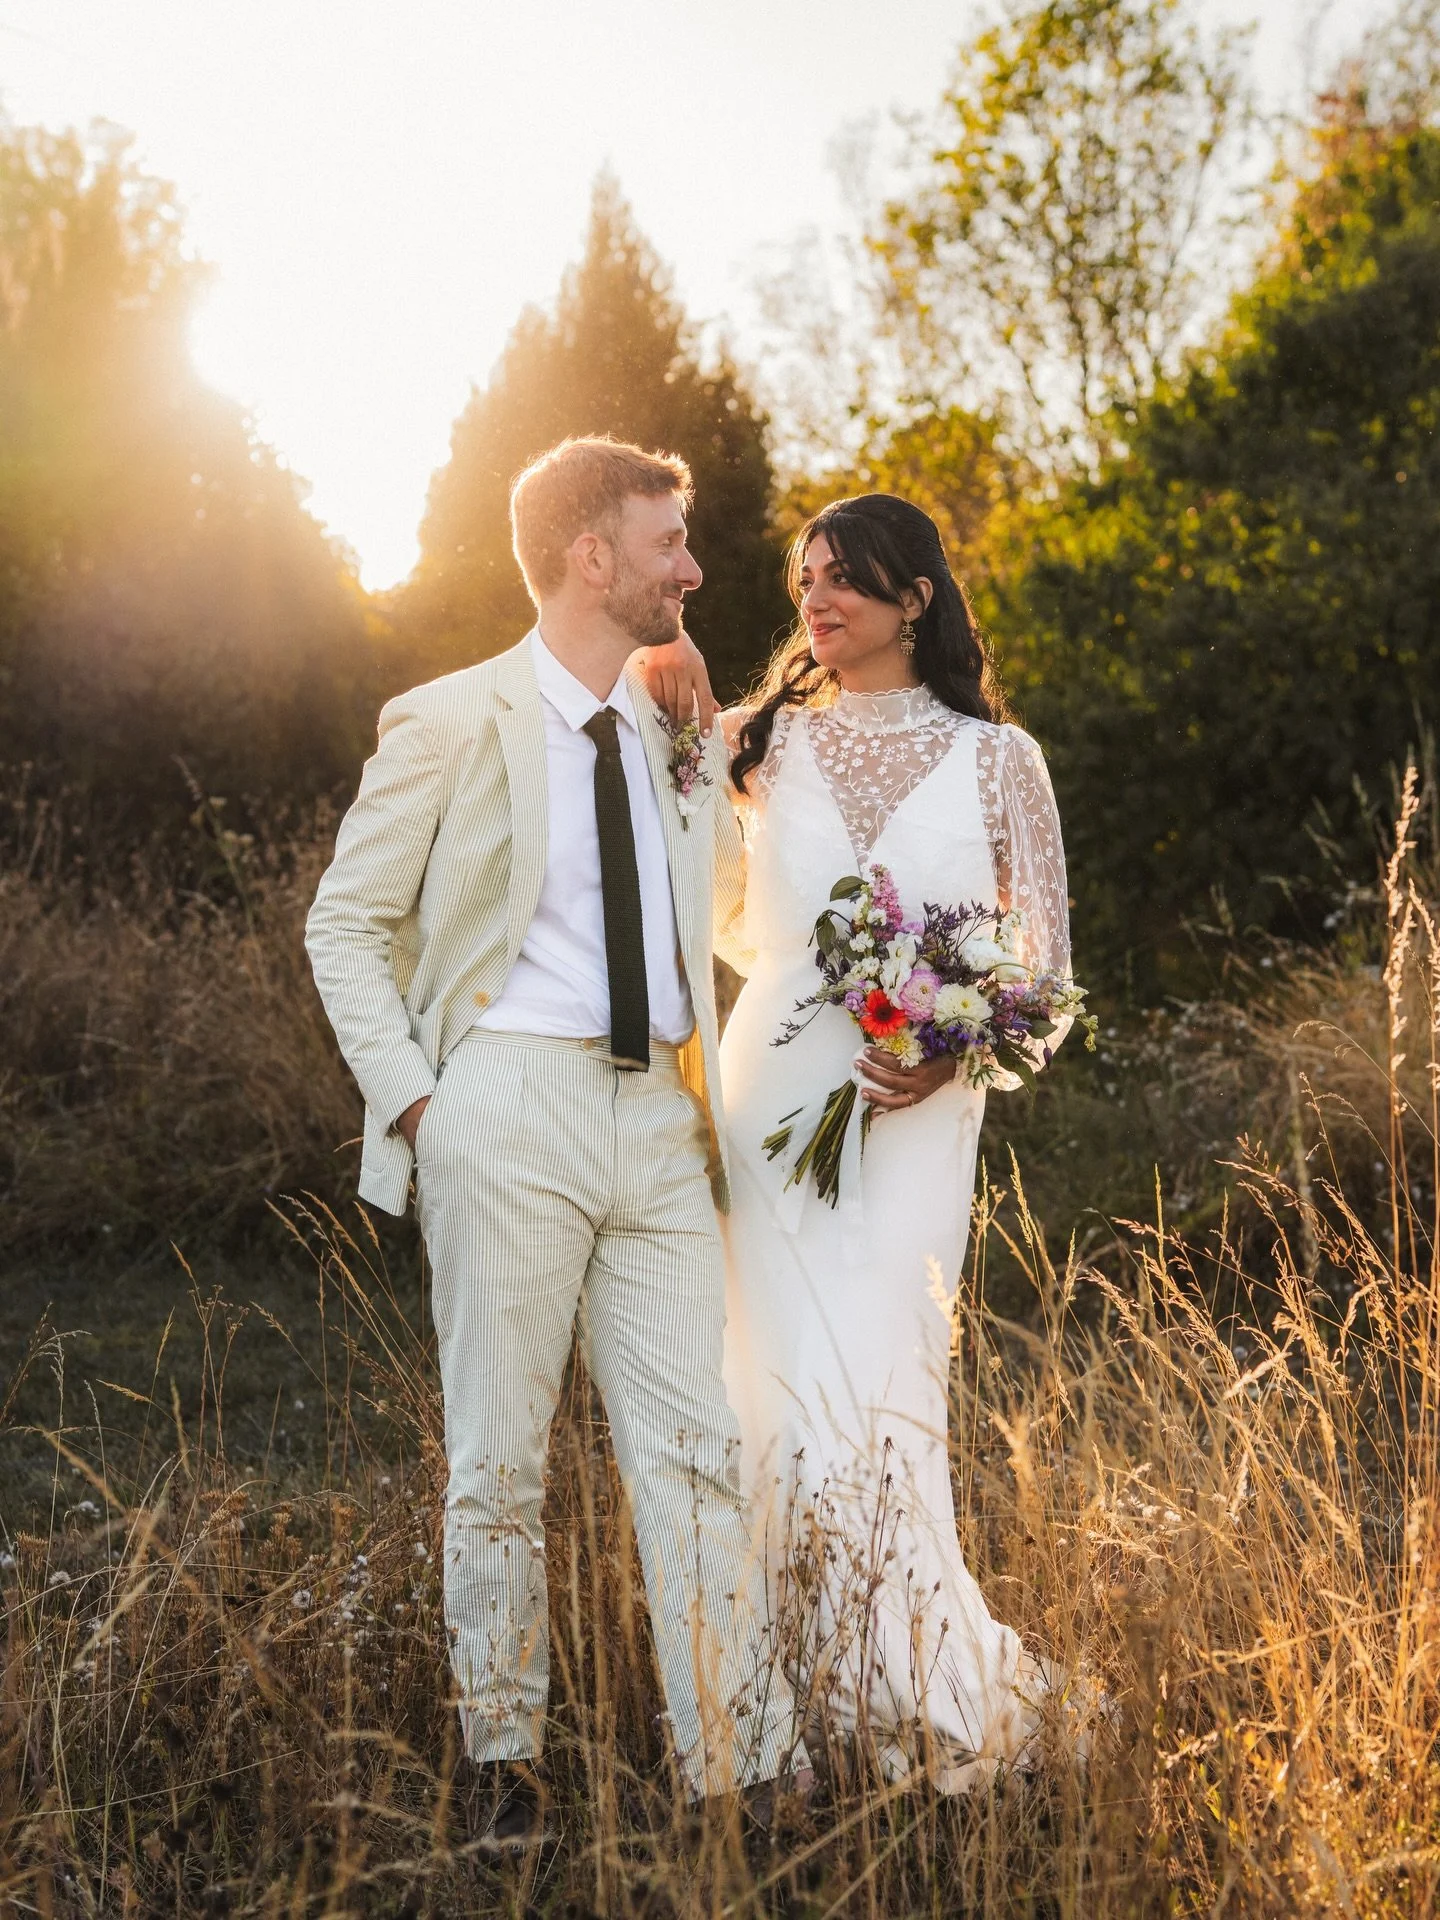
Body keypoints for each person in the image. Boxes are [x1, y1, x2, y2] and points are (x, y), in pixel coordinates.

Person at [305, 437, 806, 1852]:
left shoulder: (669, 724)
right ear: (595, 556)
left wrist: (720, 764)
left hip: (659, 1113)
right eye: (669, 544)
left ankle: (741, 1766)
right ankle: (504, 1769)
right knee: (498, 1462)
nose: (693, 570)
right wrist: (420, 1101)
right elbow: (344, 924)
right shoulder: (450, 718)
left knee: (697, 1451)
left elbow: (720, 919)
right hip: (503, 1107)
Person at [639, 493, 1076, 1791]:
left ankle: (904, 1674)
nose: (815, 600)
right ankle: (770, 1700)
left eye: (844, 579)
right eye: (805, 578)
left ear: (917, 596)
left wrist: (945, 1031)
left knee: (886, 1373)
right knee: (765, 1377)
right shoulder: (759, 747)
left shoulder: (1003, 762)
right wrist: (681, 725)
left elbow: (1044, 971)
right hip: (774, 1097)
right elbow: (697, 900)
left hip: (920, 1114)